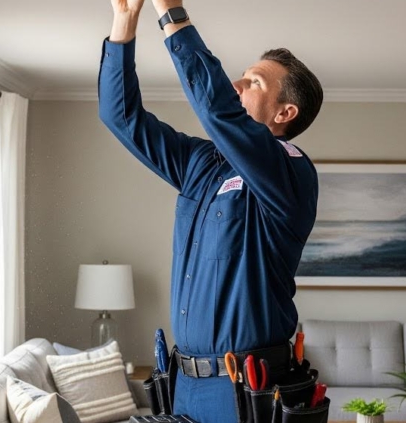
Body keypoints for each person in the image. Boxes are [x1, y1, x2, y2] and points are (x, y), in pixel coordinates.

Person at [99, 0, 324, 421]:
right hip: (183, 387)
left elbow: (220, 111)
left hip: (243, 392)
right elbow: (121, 117)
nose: (236, 85)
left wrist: (170, 12)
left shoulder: (289, 170)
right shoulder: (202, 164)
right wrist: (124, 22)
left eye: (253, 82)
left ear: (284, 112)